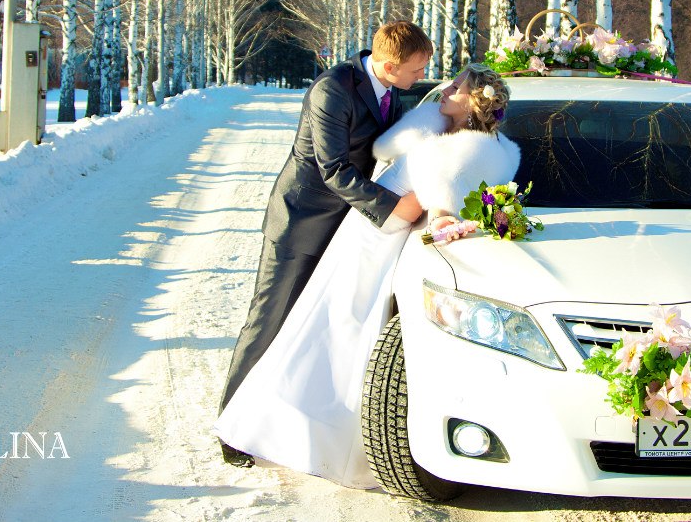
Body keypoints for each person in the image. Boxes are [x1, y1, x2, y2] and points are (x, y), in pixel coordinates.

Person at [214, 64, 519, 488]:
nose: (444, 89)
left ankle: (315, 431)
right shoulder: (440, 128)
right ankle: (273, 422)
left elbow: (433, 205)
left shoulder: (468, 151)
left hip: (381, 238)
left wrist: (405, 212)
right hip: (364, 230)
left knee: (345, 326)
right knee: (321, 319)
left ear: (473, 100)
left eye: (456, 87)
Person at [218, 21, 433, 466]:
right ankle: (232, 426)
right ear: (391, 66)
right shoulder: (332, 89)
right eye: (416, 70)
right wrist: (395, 208)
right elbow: (333, 168)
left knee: (308, 327)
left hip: (342, 224)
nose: (419, 77)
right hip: (300, 221)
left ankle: (279, 419)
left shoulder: (389, 83)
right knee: (269, 321)